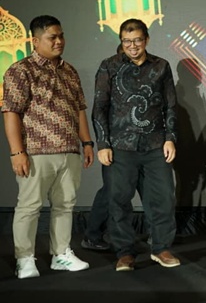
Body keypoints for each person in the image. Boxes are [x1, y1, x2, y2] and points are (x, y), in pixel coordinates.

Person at [2, 15, 94, 278]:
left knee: (65, 205)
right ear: (35, 40)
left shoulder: (69, 71)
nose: (59, 41)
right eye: (52, 37)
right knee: (29, 206)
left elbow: (79, 109)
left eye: (61, 36)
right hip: (35, 152)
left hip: (69, 151)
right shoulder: (21, 70)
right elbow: (11, 112)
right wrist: (17, 152)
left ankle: (61, 254)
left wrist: (87, 142)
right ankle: (24, 259)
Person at [92, 18, 180, 271]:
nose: (132, 46)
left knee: (163, 198)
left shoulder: (161, 66)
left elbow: (170, 106)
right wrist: (103, 143)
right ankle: (125, 253)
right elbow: (100, 107)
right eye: (127, 41)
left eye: (137, 40)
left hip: (155, 145)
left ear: (146, 39)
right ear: (121, 41)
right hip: (120, 146)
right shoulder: (109, 66)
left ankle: (161, 248)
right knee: (118, 200)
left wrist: (170, 138)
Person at [82, 43, 148, 251]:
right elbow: (99, 112)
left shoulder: (146, 80)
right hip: (116, 147)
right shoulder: (109, 79)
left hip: (144, 147)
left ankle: (155, 237)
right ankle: (94, 236)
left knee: (149, 190)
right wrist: (104, 144)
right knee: (112, 192)